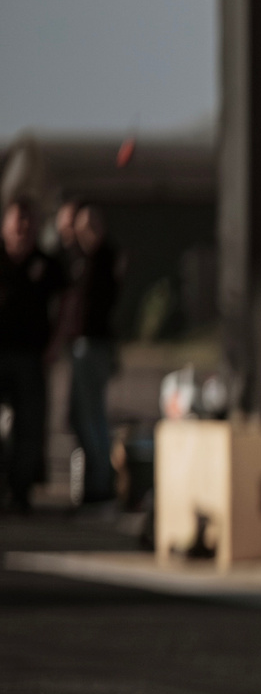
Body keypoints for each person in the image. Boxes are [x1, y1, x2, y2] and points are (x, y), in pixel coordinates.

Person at [54, 197, 124, 511]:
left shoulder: (103, 259)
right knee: (78, 416)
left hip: (93, 345)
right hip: (82, 344)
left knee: (91, 415)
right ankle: (95, 483)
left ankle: (101, 484)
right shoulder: (77, 259)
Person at [0, 197, 68, 513]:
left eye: (29, 224)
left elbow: (68, 301)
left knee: (30, 426)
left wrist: (56, 343)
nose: (23, 230)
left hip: (30, 356)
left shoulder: (46, 264)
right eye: (18, 223)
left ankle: (21, 491)